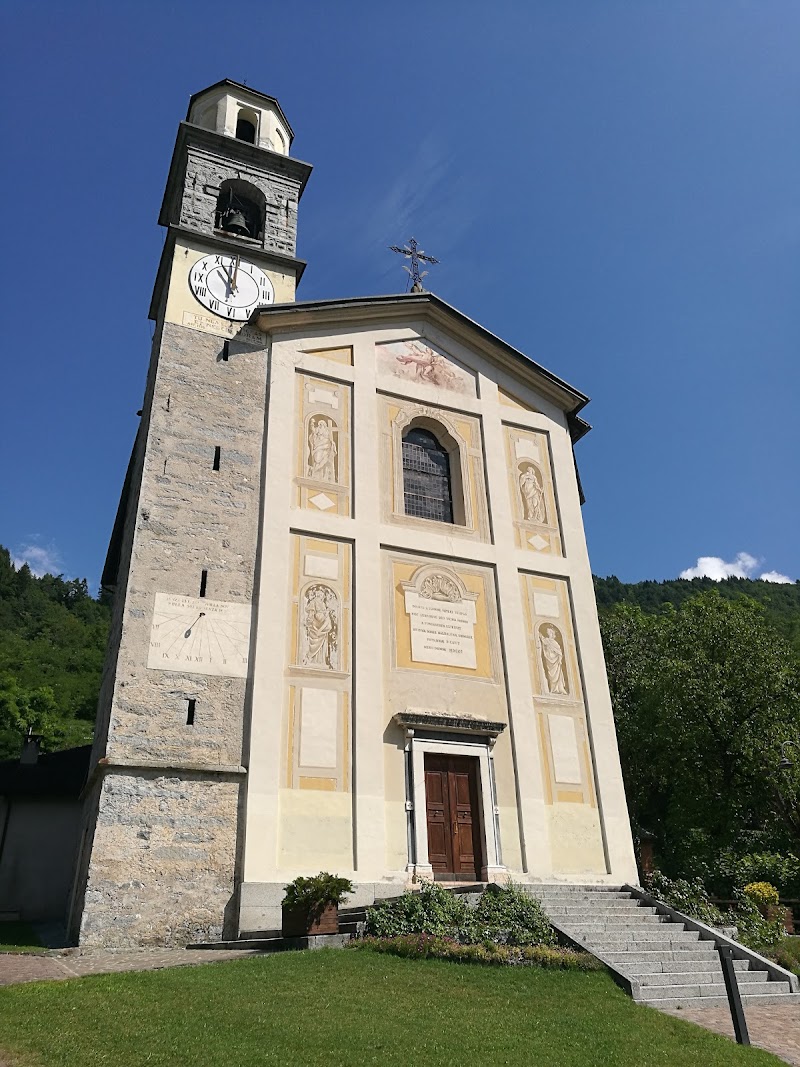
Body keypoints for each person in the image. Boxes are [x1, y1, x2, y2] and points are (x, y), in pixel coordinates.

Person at [538, 624, 568, 695]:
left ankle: (559, 689)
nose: (547, 633)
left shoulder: (555, 643)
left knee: (557, 676)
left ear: (551, 633)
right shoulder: (547, 640)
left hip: (556, 662)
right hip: (550, 661)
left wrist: (559, 659)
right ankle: (553, 689)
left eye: (548, 632)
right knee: (551, 676)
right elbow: (543, 640)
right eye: (547, 632)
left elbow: (559, 652)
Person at [308, 418, 337, 482]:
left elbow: (328, 443)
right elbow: (313, 433)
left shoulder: (326, 438)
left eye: (321, 425)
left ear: (324, 426)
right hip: (318, 450)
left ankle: (324, 477)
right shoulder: (317, 434)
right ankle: (316, 475)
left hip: (324, 451)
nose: (320, 426)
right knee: (317, 460)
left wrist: (331, 444)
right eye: (319, 424)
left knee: (324, 464)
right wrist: (312, 424)